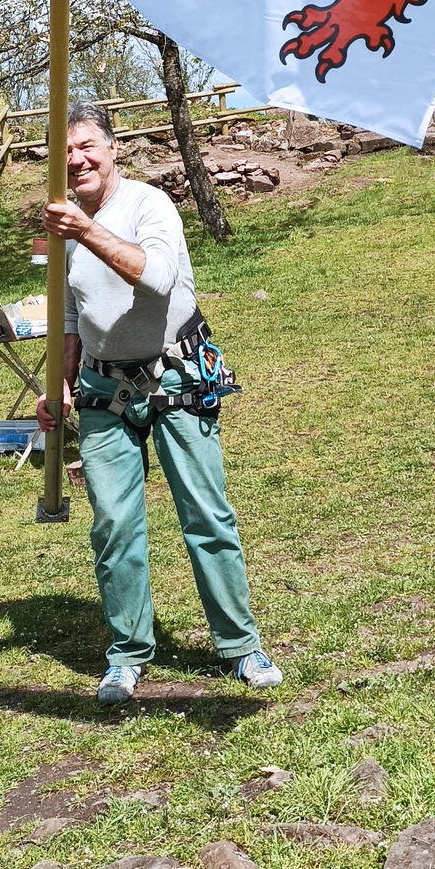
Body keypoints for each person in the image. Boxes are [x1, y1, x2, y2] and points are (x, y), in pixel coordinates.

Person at [36, 101, 281, 704]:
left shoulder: (149, 205)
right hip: (103, 390)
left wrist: (84, 230)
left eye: (86, 146)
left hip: (175, 378)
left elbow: (157, 276)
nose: (76, 160)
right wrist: (59, 384)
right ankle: (126, 654)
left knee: (205, 513)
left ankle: (240, 646)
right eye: (64, 151)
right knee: (114, 524)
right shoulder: (64, 224)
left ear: (113, 148)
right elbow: (69, 315)